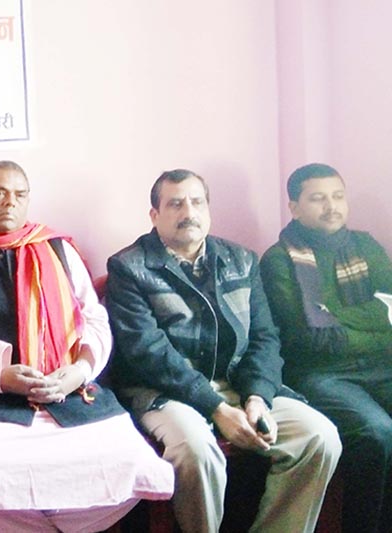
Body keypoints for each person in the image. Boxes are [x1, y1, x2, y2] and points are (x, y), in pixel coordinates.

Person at [0, 160, 174, 533]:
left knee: (128, 457)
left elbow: (94, 319)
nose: (10, 202)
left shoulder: (57, 249)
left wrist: (78, 371)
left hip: (74, 396)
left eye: (19, 194)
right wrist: (0, 376)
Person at [105, 169, 342, 533]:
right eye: (176, 203)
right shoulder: (129, 267)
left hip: (238, 385)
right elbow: (147, 354)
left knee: (319, 436)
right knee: (196, 451)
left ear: (208, 209)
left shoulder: (242, 260)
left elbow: (265, 337)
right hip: (167, 392)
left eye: (197, 202)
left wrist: (258, 399)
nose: (189, 212)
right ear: (154, 215)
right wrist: (217, 409)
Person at [260, 163, 392, 533]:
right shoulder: (280, 260)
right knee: (377, 433)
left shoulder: (366, 246)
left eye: (337, 196)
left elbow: (391, 311)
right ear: (295, 207)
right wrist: (374, 320)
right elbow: (309, 337)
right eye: (318, 198)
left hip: (381, 366)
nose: (331, 206)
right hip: (320, 374)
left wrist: (334, 316)